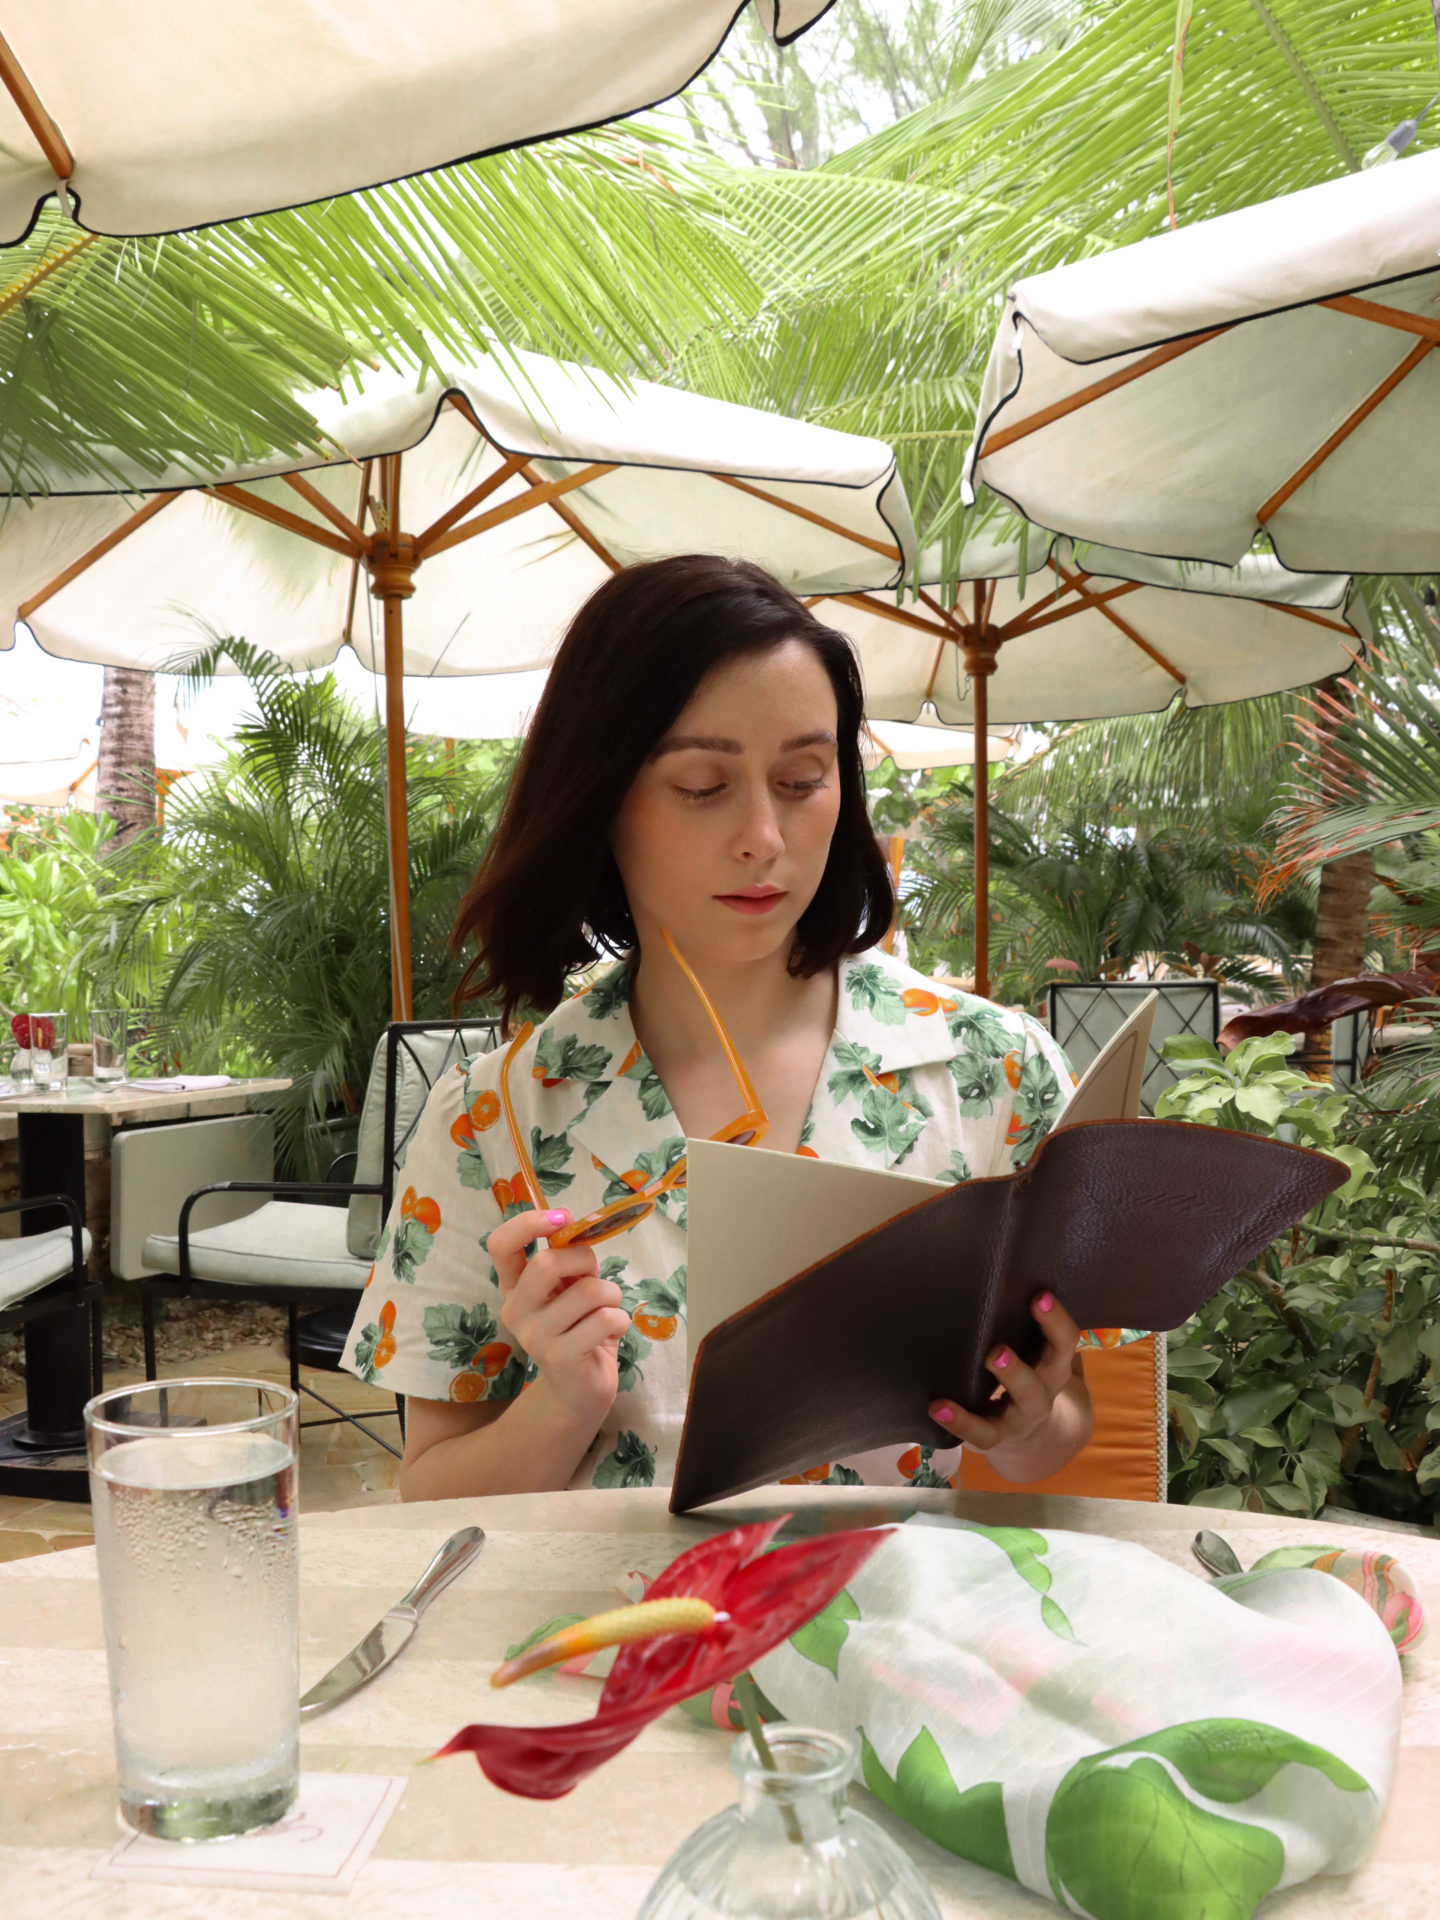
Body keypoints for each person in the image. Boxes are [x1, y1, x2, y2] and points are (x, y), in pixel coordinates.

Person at [343, 555, 1097, 1499]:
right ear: (603, 796)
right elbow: (433, 1491)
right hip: (614, 1639)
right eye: (703, 786)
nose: (764, 839)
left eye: (802, 779)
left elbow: (1063, 1427)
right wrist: (560, 1404)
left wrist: (1024, 1426)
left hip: (887, 1630)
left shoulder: (993, 1072)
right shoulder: (487, 1124)